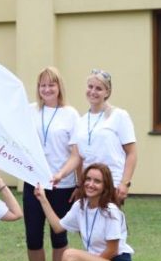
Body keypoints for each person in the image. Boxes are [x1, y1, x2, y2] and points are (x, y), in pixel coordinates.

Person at [35, 163, 135, 261]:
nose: (90, 184)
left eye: (97, 181)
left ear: (105, 186)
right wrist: (43, 199)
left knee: (69, 255)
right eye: (88, 179)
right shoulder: (80, 206)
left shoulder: (111, 211)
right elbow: (58, 227)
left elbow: (112, 250)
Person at [22, 67, 79, 261]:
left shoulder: (70, 114)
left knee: (59, 237)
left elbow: (76, 155)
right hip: (33, 184)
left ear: (59, 88)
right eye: (42, 85)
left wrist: (60, 174)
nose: (46, 89)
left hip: (62, 185)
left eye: (51, 85)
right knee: (33, 237)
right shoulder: (29, 111)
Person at [53, 69, 137, 203]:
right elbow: (76, 157)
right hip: (89, 187)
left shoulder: (119, 116)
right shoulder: (80, 121)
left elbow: (132, 153)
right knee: (88, 223)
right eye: (90, 86)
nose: (93, 91)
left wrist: (125, 183)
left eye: (99, 88)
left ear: (107, 92)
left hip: (111, 185)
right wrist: (63, 176)